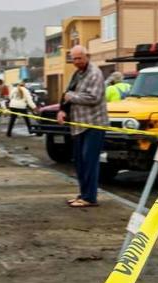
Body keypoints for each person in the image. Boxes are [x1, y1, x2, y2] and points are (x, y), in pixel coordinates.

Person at [57, 45, 107, 208]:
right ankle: (83, 194)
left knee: (89, 161)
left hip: (93, 124)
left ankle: (90, 197)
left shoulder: (95, 73)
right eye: (74, 59)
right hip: (78, 125)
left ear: (87, 57)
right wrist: (62, 110)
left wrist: (71, 97)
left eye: (79, 58)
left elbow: (94, 97)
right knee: (79, 161)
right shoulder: (77, 74)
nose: (76, 62)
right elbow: (67, 93)